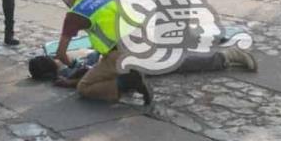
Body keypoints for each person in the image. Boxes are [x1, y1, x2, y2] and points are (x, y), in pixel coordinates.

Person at [55, 0, 153, 105]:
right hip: (142, 44)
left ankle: (125, 83)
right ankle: (130, 73)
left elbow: (61, 54)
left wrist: (74, 66)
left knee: (84, 87)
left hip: (119, 53)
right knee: (101, 64)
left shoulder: (74, 15)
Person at [30, 44, 257, 87]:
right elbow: (90, 72)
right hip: (120, 62)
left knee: (175, 60)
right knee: (175, 61)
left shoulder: (69, 66)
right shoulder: (66, 73)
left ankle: (226, 56)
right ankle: (227, 56)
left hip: (120, 55)